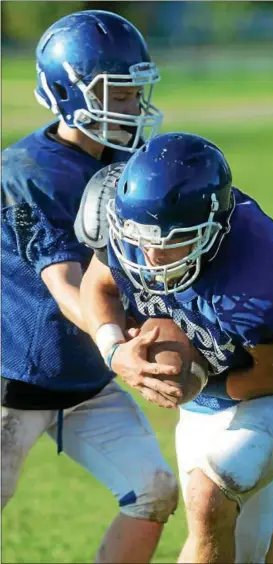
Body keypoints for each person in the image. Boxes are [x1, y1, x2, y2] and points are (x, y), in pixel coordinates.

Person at [79, 132, 273, 564]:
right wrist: (116, 352)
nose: (153, 253)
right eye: (142, 236)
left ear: (215, 227)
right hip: (216, 382)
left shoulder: (263, 272)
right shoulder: (126, 223)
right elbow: (95, 286)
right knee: (260, 552)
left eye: (173, 238)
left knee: (208, 496)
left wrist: (191, 381)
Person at [1, 11, 180, 564]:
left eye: (133, 93)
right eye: (115, 94)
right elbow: (65, 281)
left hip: (88, 381)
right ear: (64, 91)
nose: (130, 108)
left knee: (155, 490)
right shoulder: (25, 171)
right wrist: (116, 346)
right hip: (13, 382)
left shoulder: (130, 162)